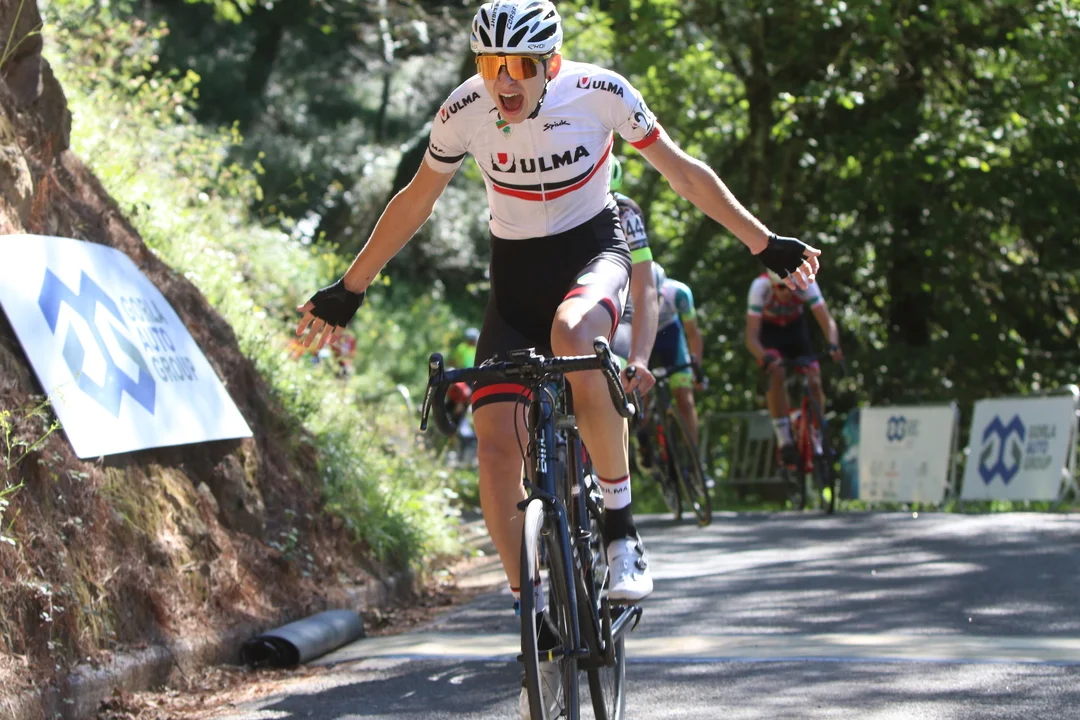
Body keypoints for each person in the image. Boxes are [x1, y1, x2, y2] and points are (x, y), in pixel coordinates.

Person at [295, 1, 820, 714]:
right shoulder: (465, 110)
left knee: (576, 336)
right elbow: (416, 200)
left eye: (521, 66)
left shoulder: (600, 93)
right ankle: (532, 611)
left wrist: (764, 242)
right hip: (514, 284)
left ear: (553, 64)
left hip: (592, 256)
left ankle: (621, 530)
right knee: (494, 444)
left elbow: (682, 173)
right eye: (490, 65)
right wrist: (350, 288)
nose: (505, 81)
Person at [745, 269, 842, 470]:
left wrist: (833, 345)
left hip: (795, 331)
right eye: (781, 287)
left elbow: (827, 321)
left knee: (814, 379)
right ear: (772, 285)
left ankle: (817, 434)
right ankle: (784, 439)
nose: (787, 292)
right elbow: (751, 337)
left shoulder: (807, 283)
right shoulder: (760, 287)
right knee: (776, 372)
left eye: (791, 286)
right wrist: (763, 356)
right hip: (770, 334)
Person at [446, 327, 480, 434]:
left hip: (474, 377)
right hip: (463, 377)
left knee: (465, 400)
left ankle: (459, 425)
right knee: (458, 398)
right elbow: (455, 361)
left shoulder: (478, 348)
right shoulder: (462, 348)